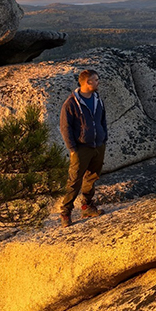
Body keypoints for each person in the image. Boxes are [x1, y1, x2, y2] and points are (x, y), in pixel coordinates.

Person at [58, 69, 108, 225]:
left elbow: (102, 120)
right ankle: (65, 213)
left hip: (98, 145)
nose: (98, 82)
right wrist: (73, 149)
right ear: (88, 82)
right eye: (96, 80)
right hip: (81, 147)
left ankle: (87, 207)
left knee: (92, 177)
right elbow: (65, 127)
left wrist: (104, 138)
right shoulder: (71, 103)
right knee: (74, 181)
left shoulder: (97, 99)